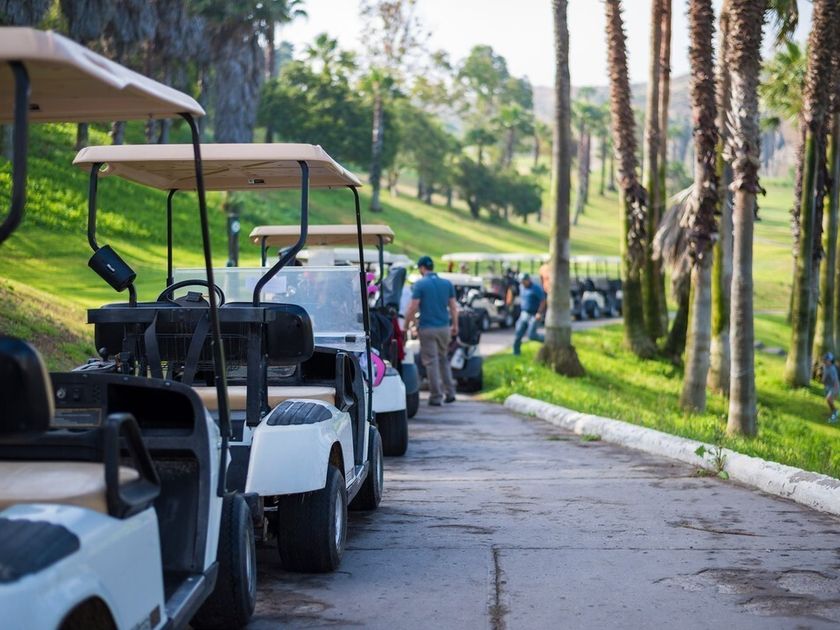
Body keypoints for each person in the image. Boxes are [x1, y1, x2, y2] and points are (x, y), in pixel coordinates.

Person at [405, 255, 458, 406]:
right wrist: (455, 325)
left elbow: (413, 307)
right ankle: (450, 392)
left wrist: (407, 325)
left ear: (422, 268)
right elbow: (453, 307)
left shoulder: (420, 284)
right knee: (444, 360)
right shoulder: (447, 283)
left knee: (431, 362)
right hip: (444, 328)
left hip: (427, 328)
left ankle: (436, 396)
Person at [513, 273, 545, 356]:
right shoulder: (521, 287)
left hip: (534, 314)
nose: (522, 283)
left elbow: (543, 301)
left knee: (532, 335)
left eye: (524, 281)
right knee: (518, 333)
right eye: (521, 282)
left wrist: (539, 313)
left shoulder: (536, 288)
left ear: (528, 280)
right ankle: (516, 353)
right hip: (524, 313)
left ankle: (548, 340)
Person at [823, 353, 839, 423]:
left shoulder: (832, 368)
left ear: (830, 361)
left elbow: (835, 380)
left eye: (827, 360)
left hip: (834, 387)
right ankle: (833, 412)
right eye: (825, 359)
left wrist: (836, 392)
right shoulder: (826, 367)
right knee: (829, 401)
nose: (825, 361)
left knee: (828, 399)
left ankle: (835, 413)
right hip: (828, 386)